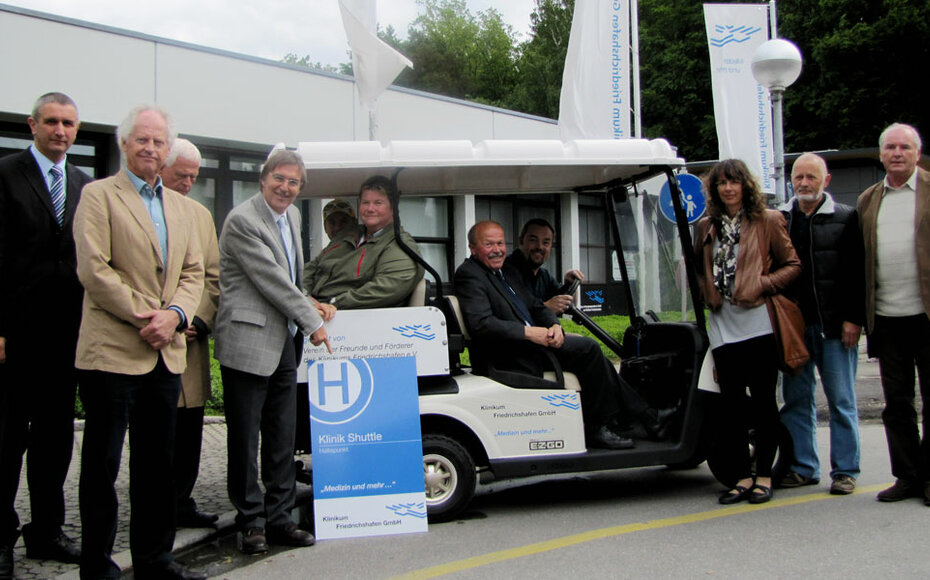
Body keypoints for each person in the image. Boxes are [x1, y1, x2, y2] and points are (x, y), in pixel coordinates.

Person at [74, 106, 205, 580]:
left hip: (164, 355)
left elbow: (193, 274)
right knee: (102, 467)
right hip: (112, 351)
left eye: (159, 142)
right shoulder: (97, 196)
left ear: (167, 149)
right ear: (124, 144)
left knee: (156, 468)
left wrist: (174, 316)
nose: (151, 148)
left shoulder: (181, 207)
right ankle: (98, 565)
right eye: (142, 140)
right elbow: (94, 269)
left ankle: (155, 560)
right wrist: (145, 316)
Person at [454, 220, 674, 450]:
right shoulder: (470, 275)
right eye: (489, 244)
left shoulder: (503, 272)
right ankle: (600, 426)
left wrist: (554, 326)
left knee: (591, 353)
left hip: (529, 345)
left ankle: (637, 417)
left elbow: (536, 305)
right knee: (588, 350)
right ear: (473, 247)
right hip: (509, 354)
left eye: (500, 243)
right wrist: (530, 333)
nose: (497, 249)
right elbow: (482, 324)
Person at [214, 149, 332, 555]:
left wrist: (310, 303)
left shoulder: (292, 217)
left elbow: (292, 280)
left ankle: (280, 519)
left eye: (293, 182)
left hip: (283, 342)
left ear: (300, 188)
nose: (285, 187)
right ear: (263, 179)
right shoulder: (243, 221)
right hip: (248, 342)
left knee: (282, 437)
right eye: (279, 179)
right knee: (245, 441)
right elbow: (272, 280)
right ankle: (250, 523)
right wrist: (312, 321)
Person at [0, 92, 92, 577]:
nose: (60, 131)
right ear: (32, 125)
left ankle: (47, 532)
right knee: (7, 438)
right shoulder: (6, 173)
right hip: (14, 335)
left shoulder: (83, 183)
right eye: (52, 122)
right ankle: (0, 537)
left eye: (69, 124)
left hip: (67, 335)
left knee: (55, 439)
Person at [694, 159, 801, 505]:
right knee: (732, 408)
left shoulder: (767, 220)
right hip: (723, 326)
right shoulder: (705, 226)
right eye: (721, 183)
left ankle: (765, 476)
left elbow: (793, 265)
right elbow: (699, 270)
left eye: (734, 182)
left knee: (764, 405)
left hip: (759, 325)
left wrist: (762, 283)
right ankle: (741, 476)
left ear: (745, 186)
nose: (727, 188)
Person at [775, 153, 864, 495]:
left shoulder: (846, 217)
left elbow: (858, 274)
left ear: (826, 181)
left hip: (835, 328)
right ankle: (802, 467)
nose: (804, 183)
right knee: (796, 400)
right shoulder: (780, 220)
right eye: (798, 177)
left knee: (841, 400)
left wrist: (853, 320)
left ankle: (845, 470)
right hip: (794, 329)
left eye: (811, 177)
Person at [858, 123, 930, 505]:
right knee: (896, 405)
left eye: (905, 147)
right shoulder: (869, 200)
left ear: (917, 153)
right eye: (890, 147)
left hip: (927, 317)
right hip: (887, 318)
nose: (897, 152)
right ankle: (907, 476)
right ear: (881, 154)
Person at [158, 139, 221, 528]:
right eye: (180, 175)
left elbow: (212, 278)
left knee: (189, 432)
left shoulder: (201, 215)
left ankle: (181, 501)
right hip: (151, 341)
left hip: (190, 343)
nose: (187, 183)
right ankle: (156, 505)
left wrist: (197, 321)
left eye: (193, 177)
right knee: (156, 434)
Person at [303, 175, 424, 309]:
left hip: (349, 316)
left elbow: (386, 288)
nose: (370, 209)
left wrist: (333, 303)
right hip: (314, 310)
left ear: (393, 208)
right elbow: (312, 268)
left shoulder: (400, 244)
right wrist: (303, 296)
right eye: (365, 203)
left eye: (378, 203)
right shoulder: (345, 235)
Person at [505, 218, 584, 315]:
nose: (540, 247)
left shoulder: (543, 275)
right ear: (521, 241)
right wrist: (546, 307)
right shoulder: (506, 270)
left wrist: (568, 283)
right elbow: (510, 312)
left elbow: (565, 304)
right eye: (533, 240)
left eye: (545, 242)